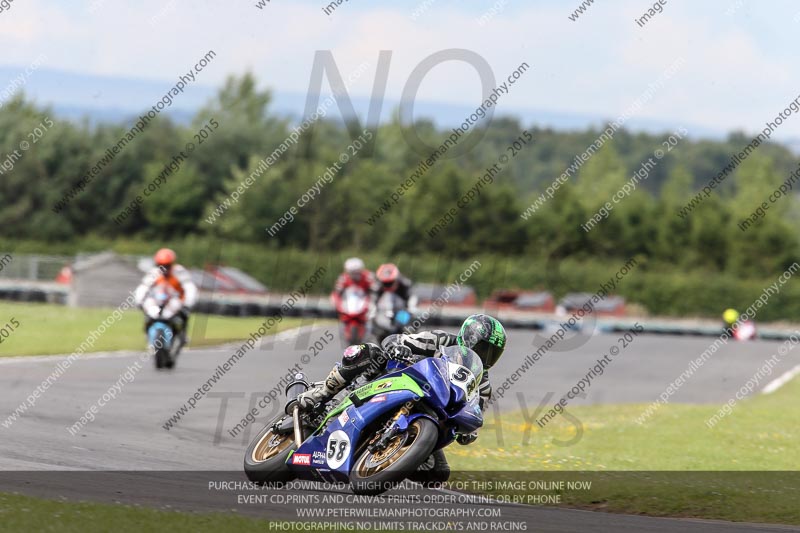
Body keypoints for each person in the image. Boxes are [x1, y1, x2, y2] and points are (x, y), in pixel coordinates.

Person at [296, 313, 507, 483]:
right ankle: (322, 392)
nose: (485, 356)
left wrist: (469, 431)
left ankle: (385, 461)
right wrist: (399, 347)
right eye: (483, 348)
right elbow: (396, 339)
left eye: (492, 353)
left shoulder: (482, 383)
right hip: (394, 381)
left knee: (437, 473)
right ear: (468, 337)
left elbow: (473, 410)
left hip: (428, 414)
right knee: (369, 352)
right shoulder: (440, 340)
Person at [134, 248, 198, 345]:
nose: (164, 268)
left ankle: (182, 334)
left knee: (184, 313)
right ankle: (148, 333)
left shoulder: (179, 272)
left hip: (175, 300)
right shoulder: (154, 273)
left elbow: (189, 288)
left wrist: (188, 302)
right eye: (161, 265)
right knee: (148, 311)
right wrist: (139, 300)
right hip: (158, 300)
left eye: (167, 266)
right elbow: (143, 287)